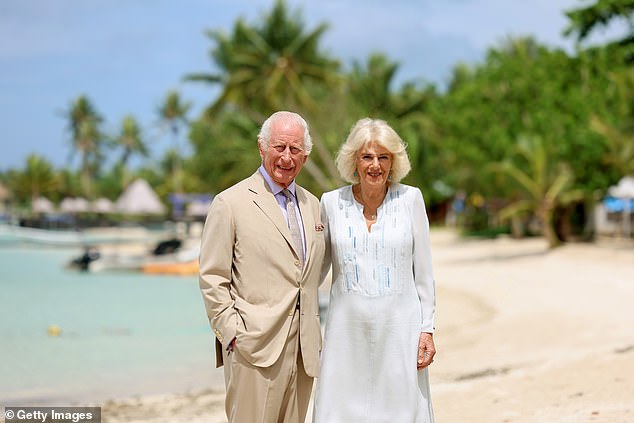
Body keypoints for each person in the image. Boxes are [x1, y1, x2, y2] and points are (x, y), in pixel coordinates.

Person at [198, 111, 326, 423]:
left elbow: (311, 274)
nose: (286, 157)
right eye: (279, 147)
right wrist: (232, 334)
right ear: (261, 147)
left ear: (305, 156)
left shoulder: (314, 205)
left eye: (295, 150)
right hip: (253, 348)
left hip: (303, 350)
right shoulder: (230, 203)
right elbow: (212, 277)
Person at [313, 118, 437, 423]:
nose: (375, 165)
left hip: (401, 330)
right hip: (345, 333)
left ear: (394, 162)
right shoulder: (330, 203)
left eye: (384, 157)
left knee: (400, 411)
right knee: (340, 412)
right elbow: (314, 274)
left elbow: (424, 272)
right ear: (354, 160)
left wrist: (428, 328)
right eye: (367, 156)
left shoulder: (411, 200)